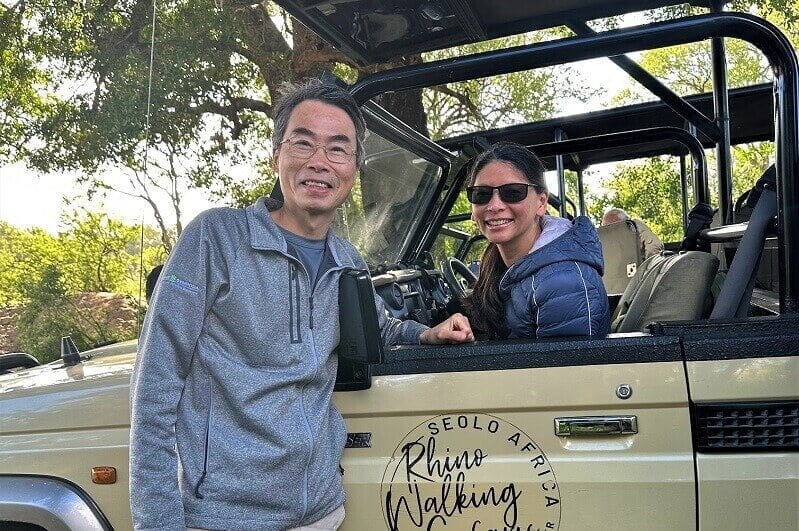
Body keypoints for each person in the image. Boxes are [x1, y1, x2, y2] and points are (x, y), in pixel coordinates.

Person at [129, 78, 474, 531]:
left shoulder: (346, 259)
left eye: (337, 148)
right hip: (225, 517)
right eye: (303, 143)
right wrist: (158, 523)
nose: (318, 162)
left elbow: (378, 326)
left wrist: (426, 333)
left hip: (321, 512)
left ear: (354, 167)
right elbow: (154, 384)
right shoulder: (216, 238)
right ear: (276, 156)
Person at [463, 142, 609, 340]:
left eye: (513, 192)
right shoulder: (497, 265)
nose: (494, 206)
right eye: (481, 195)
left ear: (541, 203)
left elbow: (564, 370)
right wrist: (422, 334)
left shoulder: (563, 283)